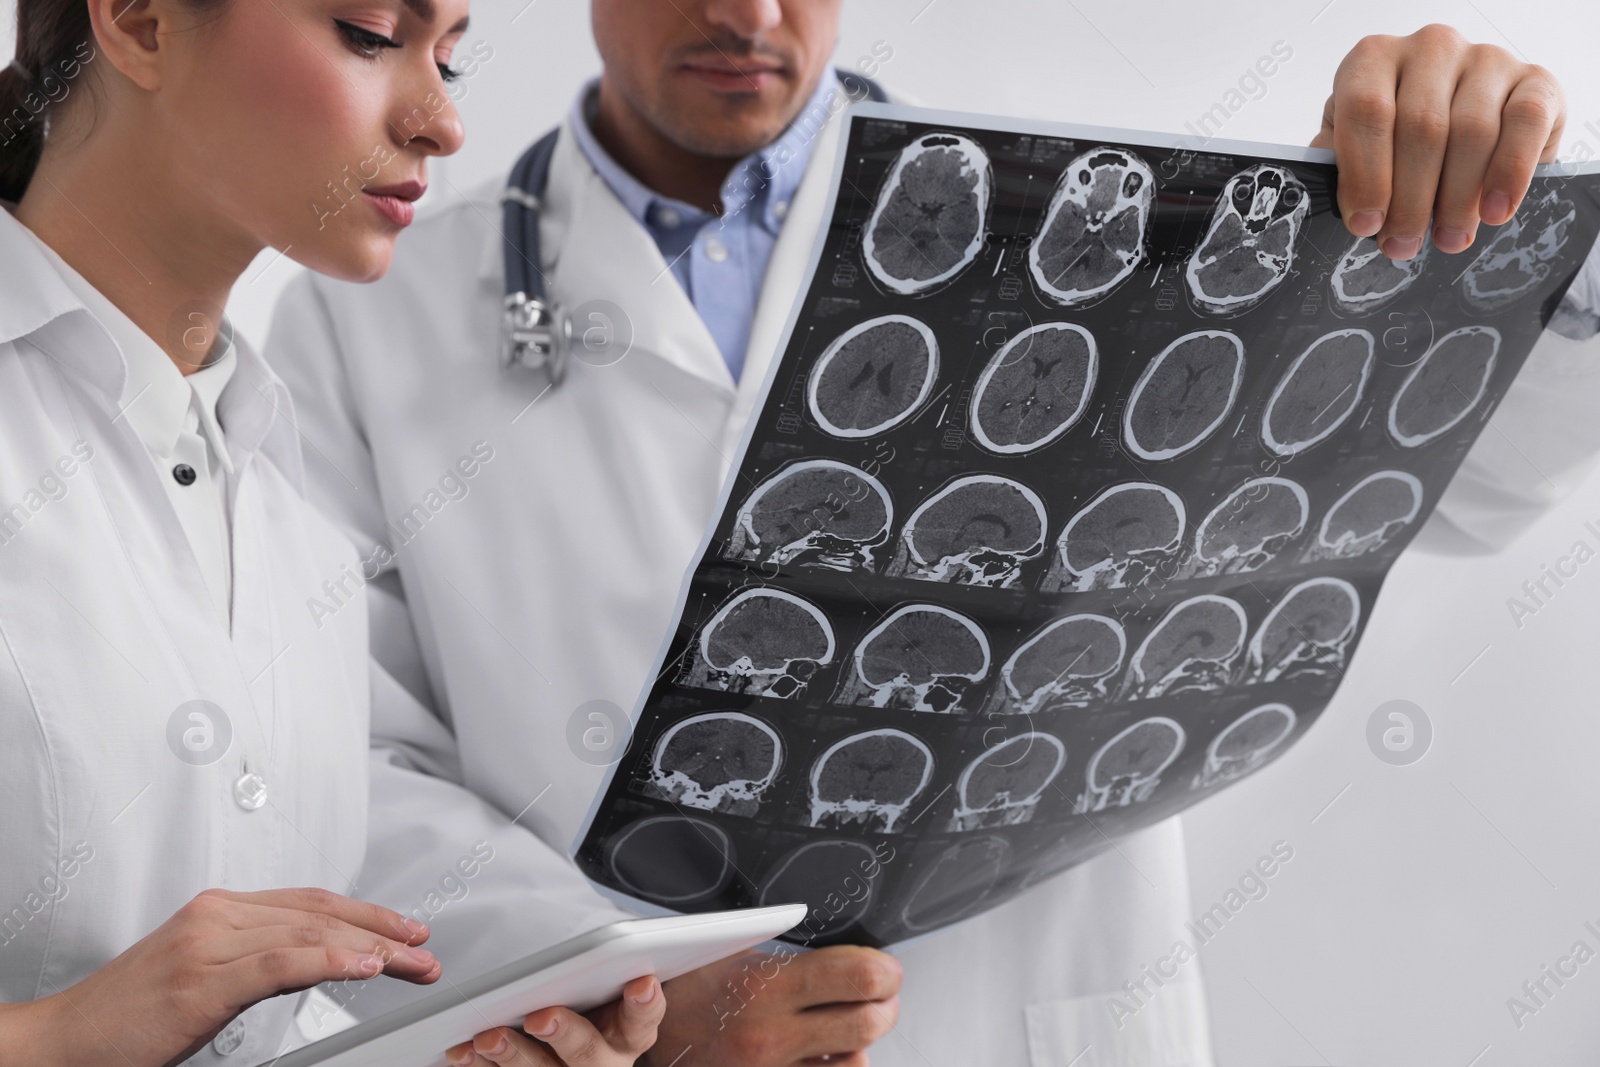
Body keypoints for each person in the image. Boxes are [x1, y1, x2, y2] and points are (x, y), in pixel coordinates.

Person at [264, 4, 1600, 1064]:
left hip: (1034, 1016)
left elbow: (1470, 494)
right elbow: (345, 756)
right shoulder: (371, 309)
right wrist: (634, 981)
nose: (746, 8)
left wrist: (1507, 237)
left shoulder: (1124, 235)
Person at [0, 2, 663, 1065]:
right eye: (368, 34)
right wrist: (60, 1037)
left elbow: (255, 1027)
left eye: (448, 57)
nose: (443, 124)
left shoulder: (287, 509)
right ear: (138, 22)